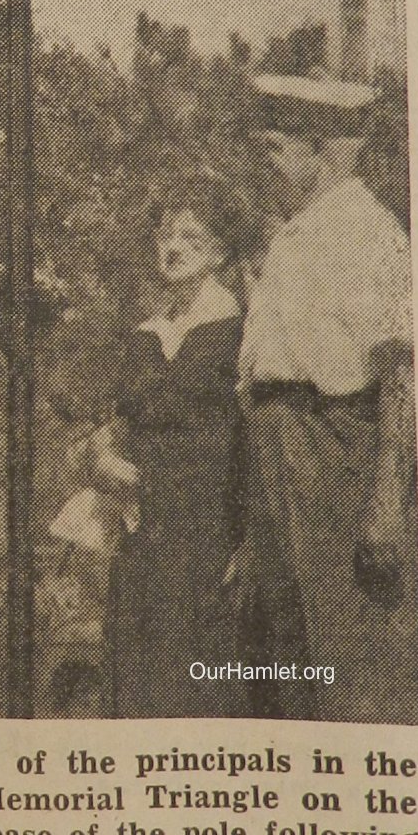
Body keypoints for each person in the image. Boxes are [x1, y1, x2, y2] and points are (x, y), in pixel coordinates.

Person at [236, 73, 418, 723]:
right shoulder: (296, 234)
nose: (265, 161)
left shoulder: (365, 232)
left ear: (317, 149)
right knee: (292, 663)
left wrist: (383, 503)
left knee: (352, 664)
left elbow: (400, 371)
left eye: (276, 147)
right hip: (280, 456)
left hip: (336, 454)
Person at [104, 180, 249, 717]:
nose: (173, 247)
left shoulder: (233, 330)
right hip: (142, 524)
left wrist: (245, 535)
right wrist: (104, 461)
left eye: (190, 236)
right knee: (138, 672)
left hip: (205, 527)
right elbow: (121, 416)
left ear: (220, 249)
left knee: (197, 676)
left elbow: (244, 438)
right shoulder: (147, 333)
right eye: (165, 234)